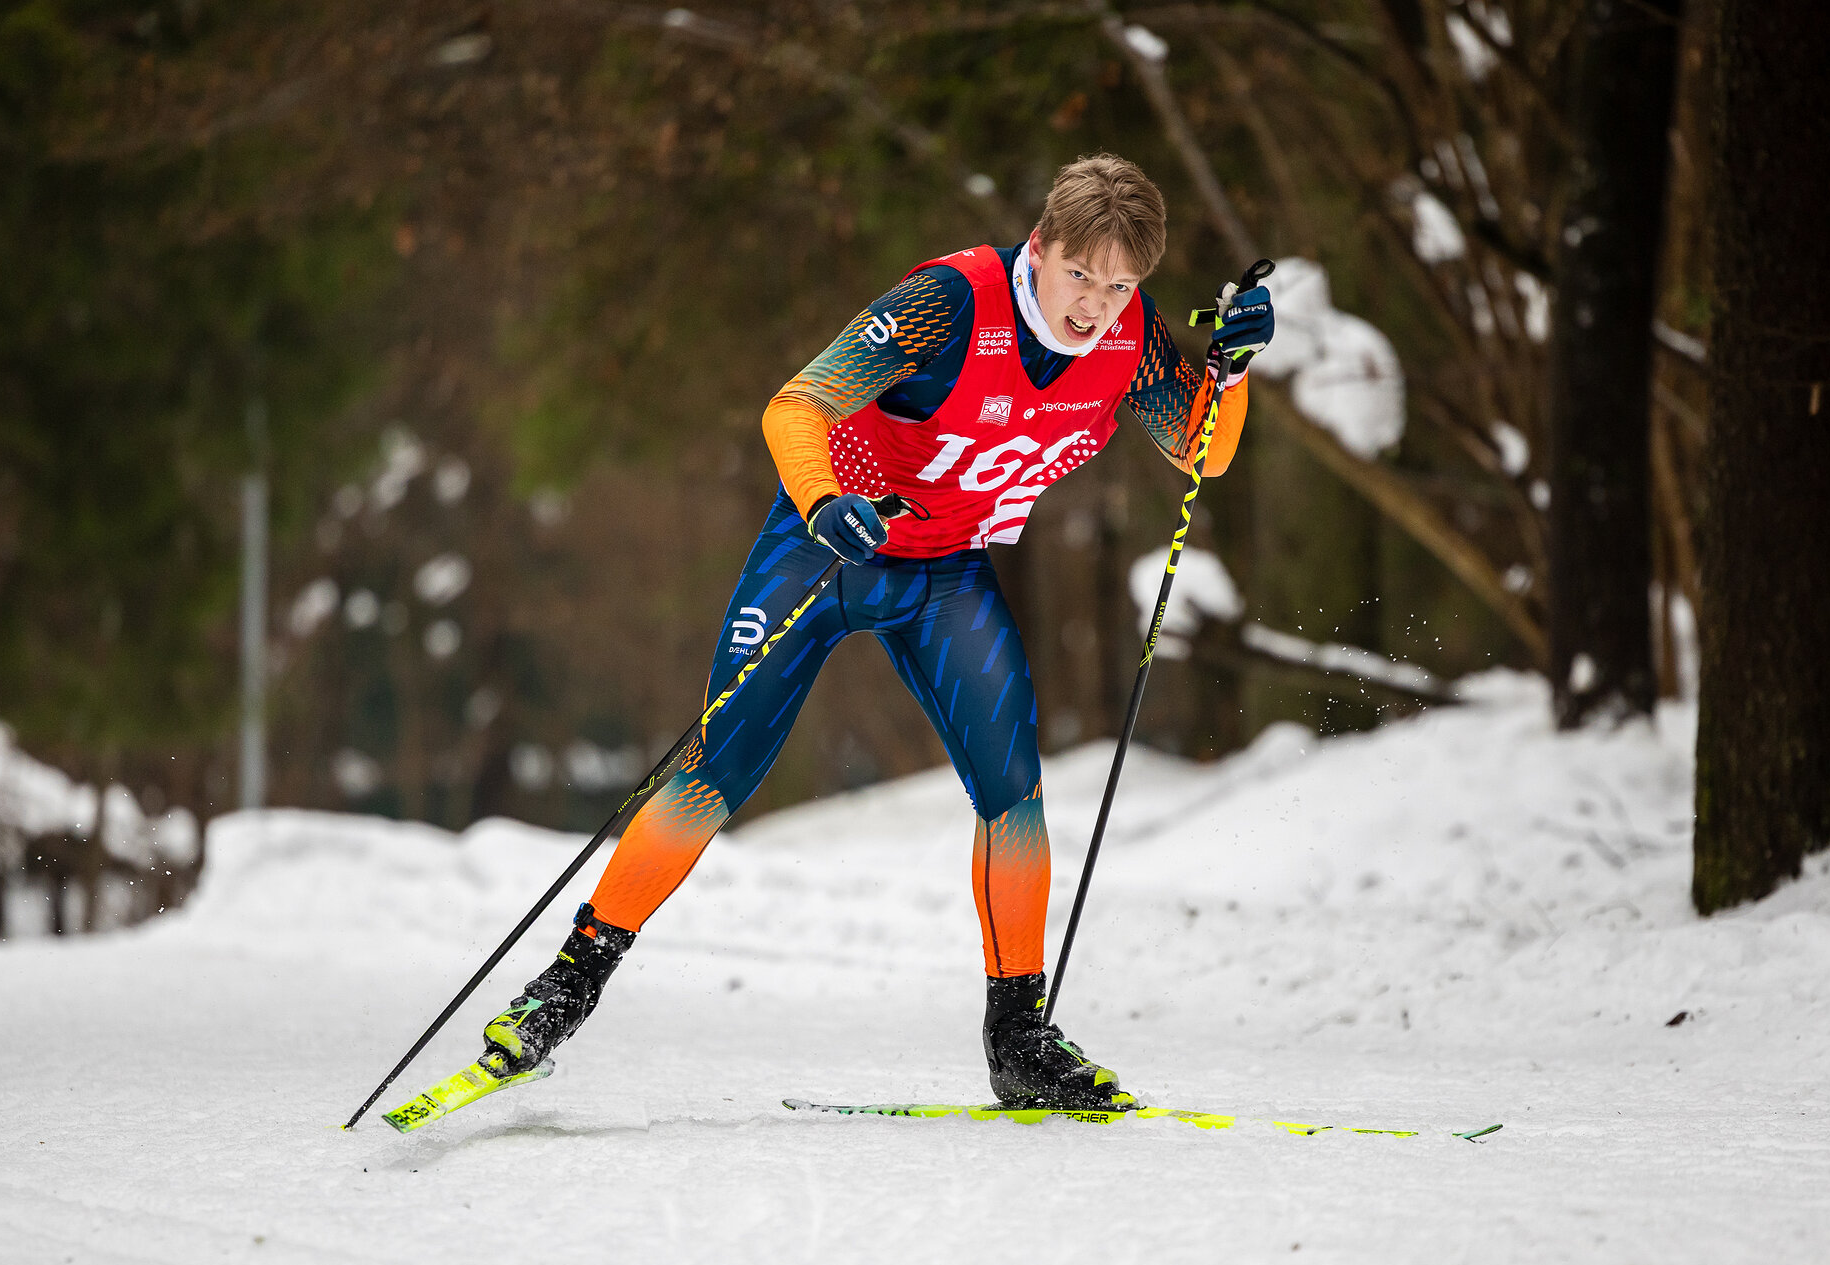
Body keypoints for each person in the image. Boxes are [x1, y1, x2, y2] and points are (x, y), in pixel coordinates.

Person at [478, 154, 1274, 1109]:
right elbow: (796, 405)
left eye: (1120, 285)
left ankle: (1020, 1039)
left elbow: (1200, 452)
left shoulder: (1131, 339)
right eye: (1080, 275)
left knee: (1012, 789)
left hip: (944, 571)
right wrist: (823, 501)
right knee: (717, 767)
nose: (1095, 306)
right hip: (828, 547)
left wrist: (1231, 370)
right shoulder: (951, 303)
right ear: (1041, 245)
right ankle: (564, 989)